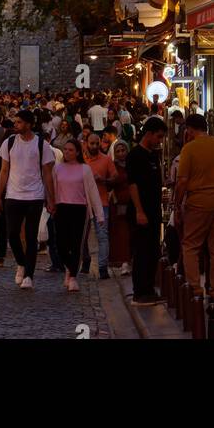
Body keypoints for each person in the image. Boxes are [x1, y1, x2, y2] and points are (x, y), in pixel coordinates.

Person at [174, 114, 214, 308]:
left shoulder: (189, 149)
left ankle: (195, 289)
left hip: (198, 203)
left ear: (189, 130)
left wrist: (176, 204)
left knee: (191, 246)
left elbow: (182, 181)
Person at [0, 109, 55, 289]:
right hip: (13, 194)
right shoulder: (9, 143)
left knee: (30, 235)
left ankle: (29, 274)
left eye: (19, 122)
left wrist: (51, 199)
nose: (16, 125)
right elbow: (3, 171)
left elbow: (47, 174)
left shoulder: (41, 145)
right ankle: (21, 262)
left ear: (29, 124)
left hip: (34, 195)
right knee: (12, 234)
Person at [53, 138, 104, 292]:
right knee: (61, 245)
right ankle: (69, 266)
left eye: (71, 150)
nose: (67, 152)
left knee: (76, 244)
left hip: (79, 210)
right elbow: (52, 188)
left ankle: (73, 276)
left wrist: (99, 215)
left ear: (77, 152)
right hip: (61, 208)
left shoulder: (84, 169)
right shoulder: (58, 168)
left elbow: (93, 192)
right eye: (66, 150)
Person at [126, 116, 167, 305]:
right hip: (141, 211)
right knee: (142, 251)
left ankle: (149, 288)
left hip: (154, 209)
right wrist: (139, 211)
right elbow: (132, 184)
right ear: (149, 134)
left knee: (153, 251)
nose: (160, 141)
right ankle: (140, 291)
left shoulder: (153, 154)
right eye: (158, 137)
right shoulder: (135, 155)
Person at [82, 132, 116, 278]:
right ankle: (85, 261)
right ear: (86, 143)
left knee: (102, 236)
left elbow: (115, 176)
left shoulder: (106, 160)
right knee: (82, 236)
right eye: (92, 143)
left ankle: (102, 267)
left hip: (101, 203)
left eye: (97, 143)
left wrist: (103, 180)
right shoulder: (81, 160)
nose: (95, 146)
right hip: (82, 203)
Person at [108, 140, 132, 274]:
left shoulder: (132, 165)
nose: (121, 153)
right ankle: (124, 262)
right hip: (119, 204)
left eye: (123, 150)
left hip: (132, 202)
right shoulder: (113, 167)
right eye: (118, 151)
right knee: (122, 234)